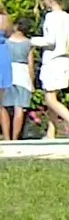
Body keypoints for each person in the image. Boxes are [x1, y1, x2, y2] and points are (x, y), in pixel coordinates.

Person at [30, 0, 69, 138]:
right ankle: (51, 132)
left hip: (53, 60)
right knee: (53, 96)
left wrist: (31, 41)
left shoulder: (51, 17)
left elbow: (50, 40)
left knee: (49, 98)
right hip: (65, 61)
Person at [0, 10, 33, 142]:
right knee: (19, 108)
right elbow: (30, 65)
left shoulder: (6, 42)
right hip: (23, 74)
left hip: (8, 71)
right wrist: (32, 81)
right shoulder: (28, 43)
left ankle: (7, 138)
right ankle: (15, 138)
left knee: (3, 106)